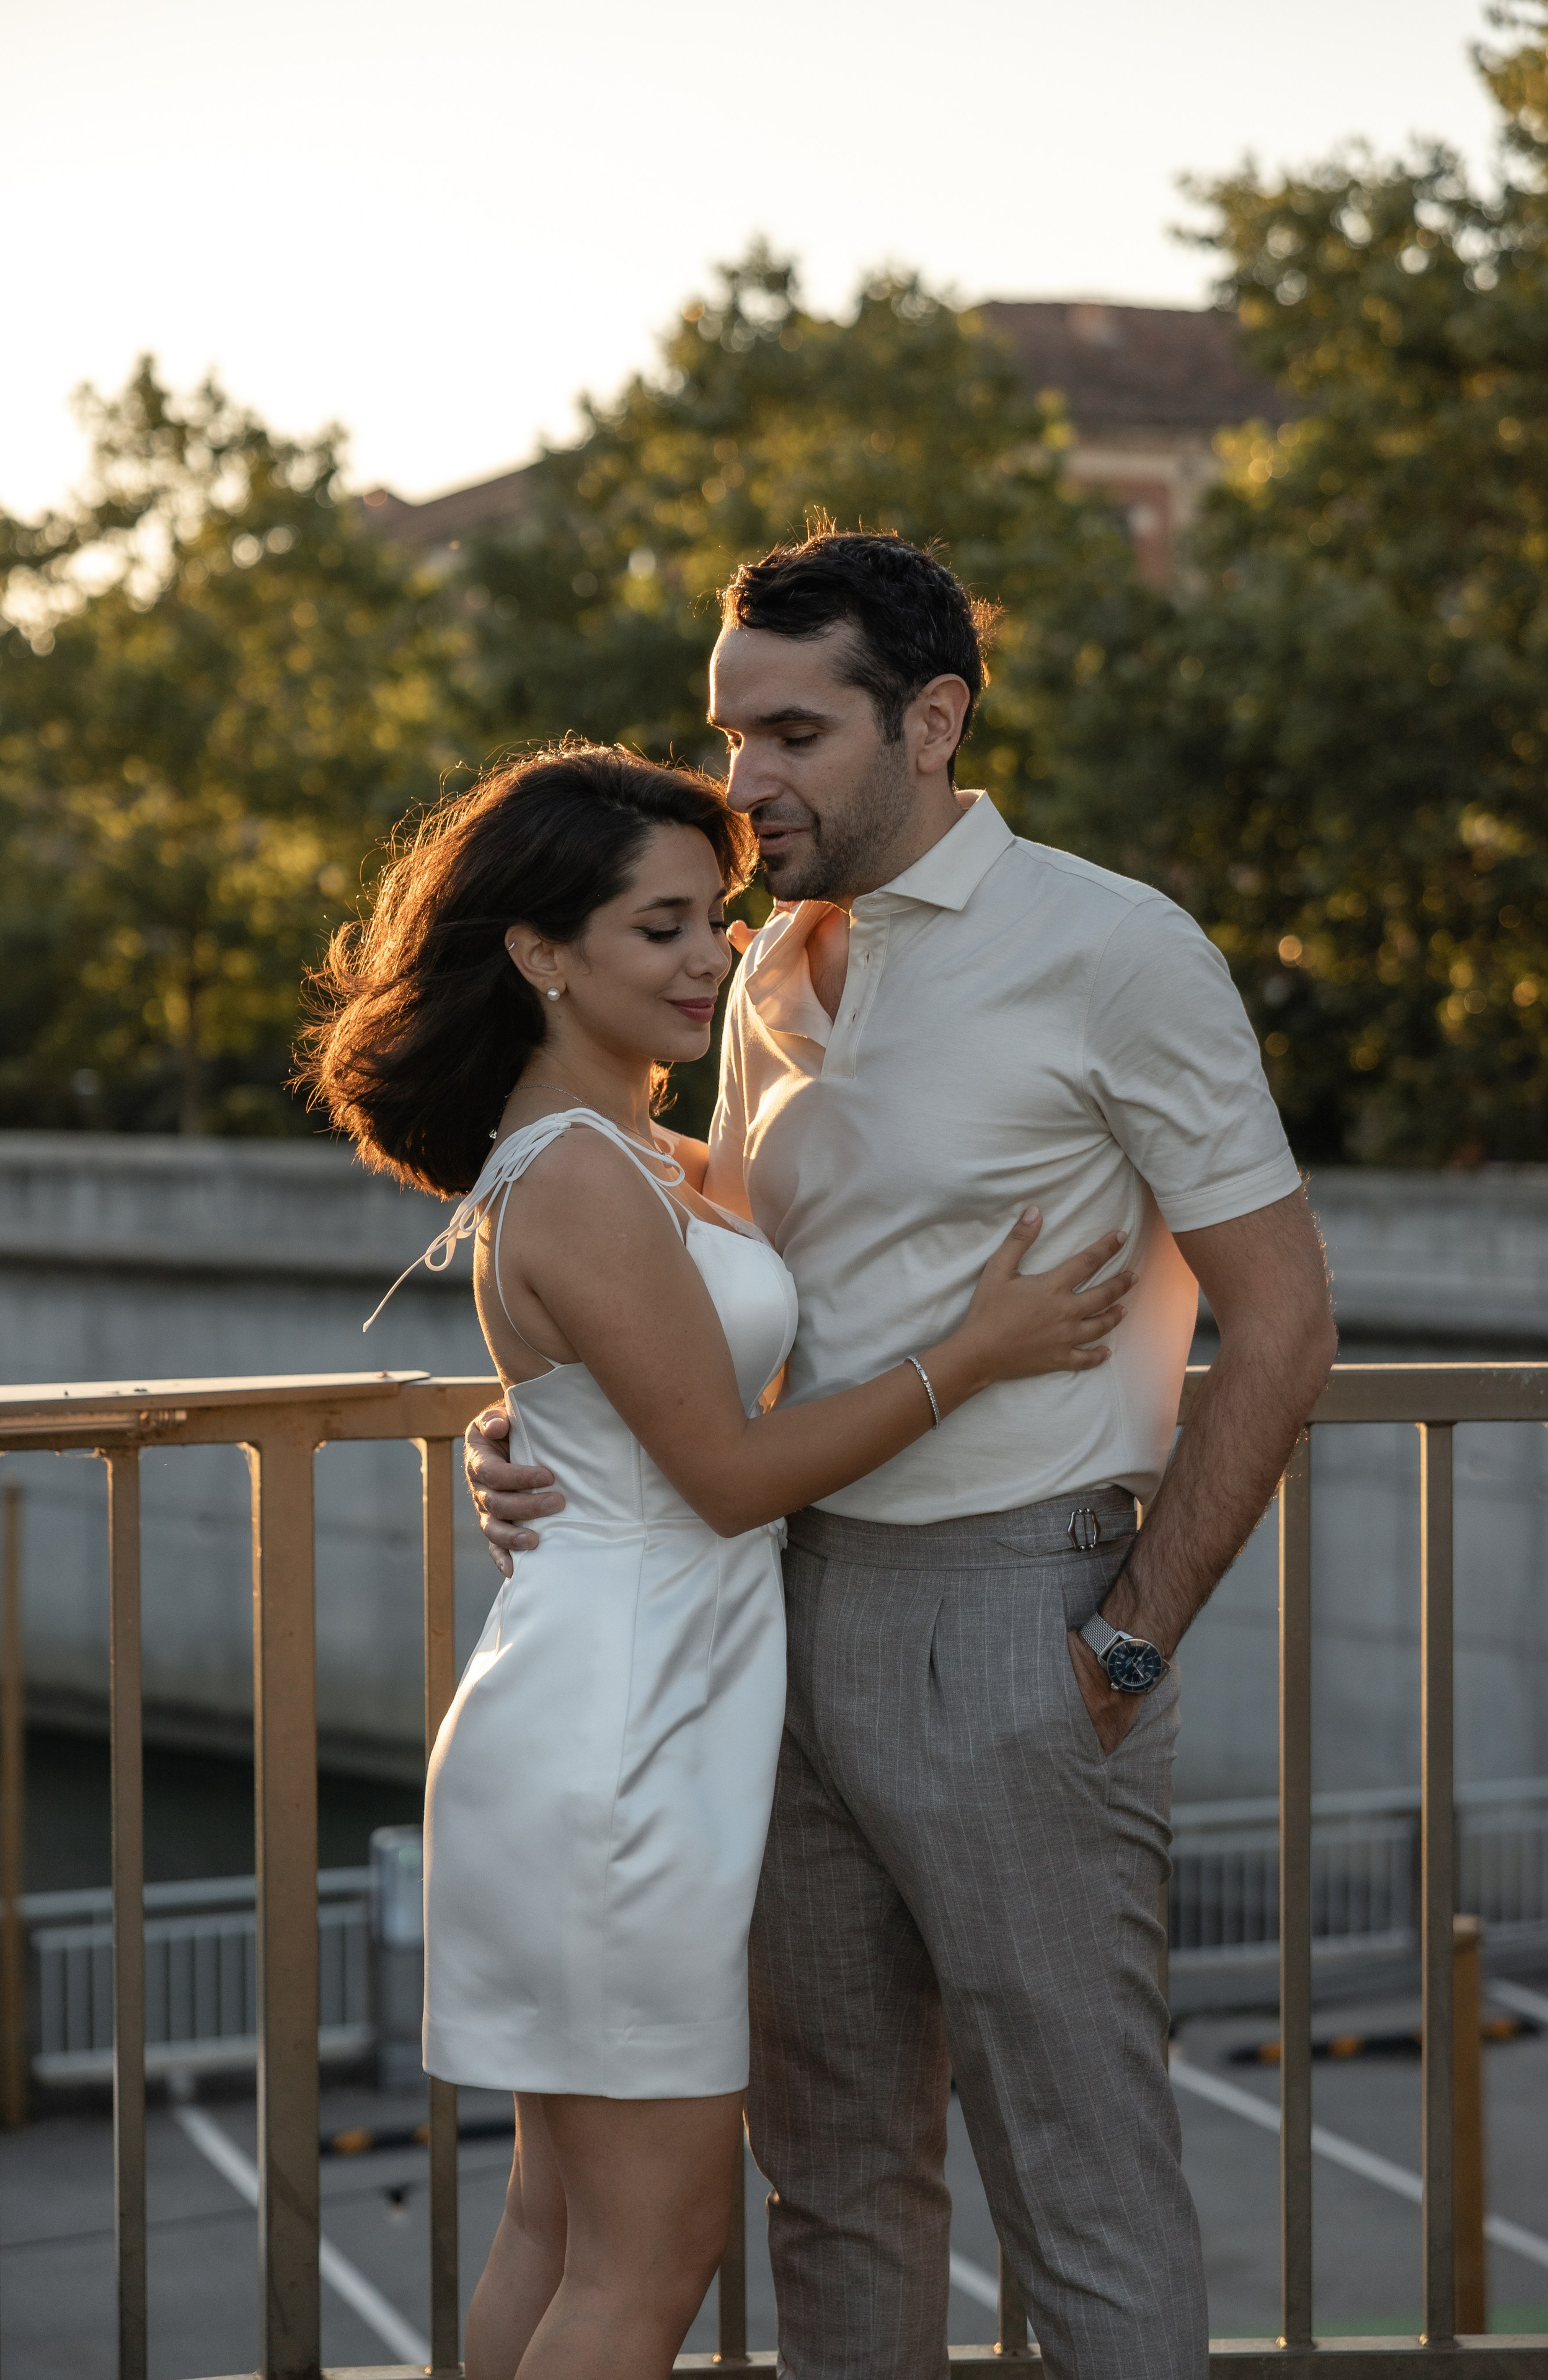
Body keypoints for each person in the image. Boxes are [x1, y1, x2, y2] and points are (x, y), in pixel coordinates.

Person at [469, 534, 1338, 2379]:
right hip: (767, 1621)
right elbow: (685, 1270)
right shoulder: (759, 969)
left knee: (1082, 2195)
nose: (744, 781)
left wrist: (1130, 1635)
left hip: (1022, 1616)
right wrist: (536, 1413)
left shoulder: (1115, 950)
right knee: (834, 2188)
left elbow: (1284, 1318)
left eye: (793, 732)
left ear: (932, 720)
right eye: (730, 732)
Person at [299, 741, 1137, 2380]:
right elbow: (733, 1474)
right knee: (647, 2248)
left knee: (559, 2227)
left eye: (714, 920)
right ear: (544, 955)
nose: (707, 961)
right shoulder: (583, 1181)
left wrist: (514, 1425)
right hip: (623, 1746)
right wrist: (981, 1347)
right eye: (660, 930)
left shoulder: (638, 1161)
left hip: (625, 1710)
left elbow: (620, 1395)